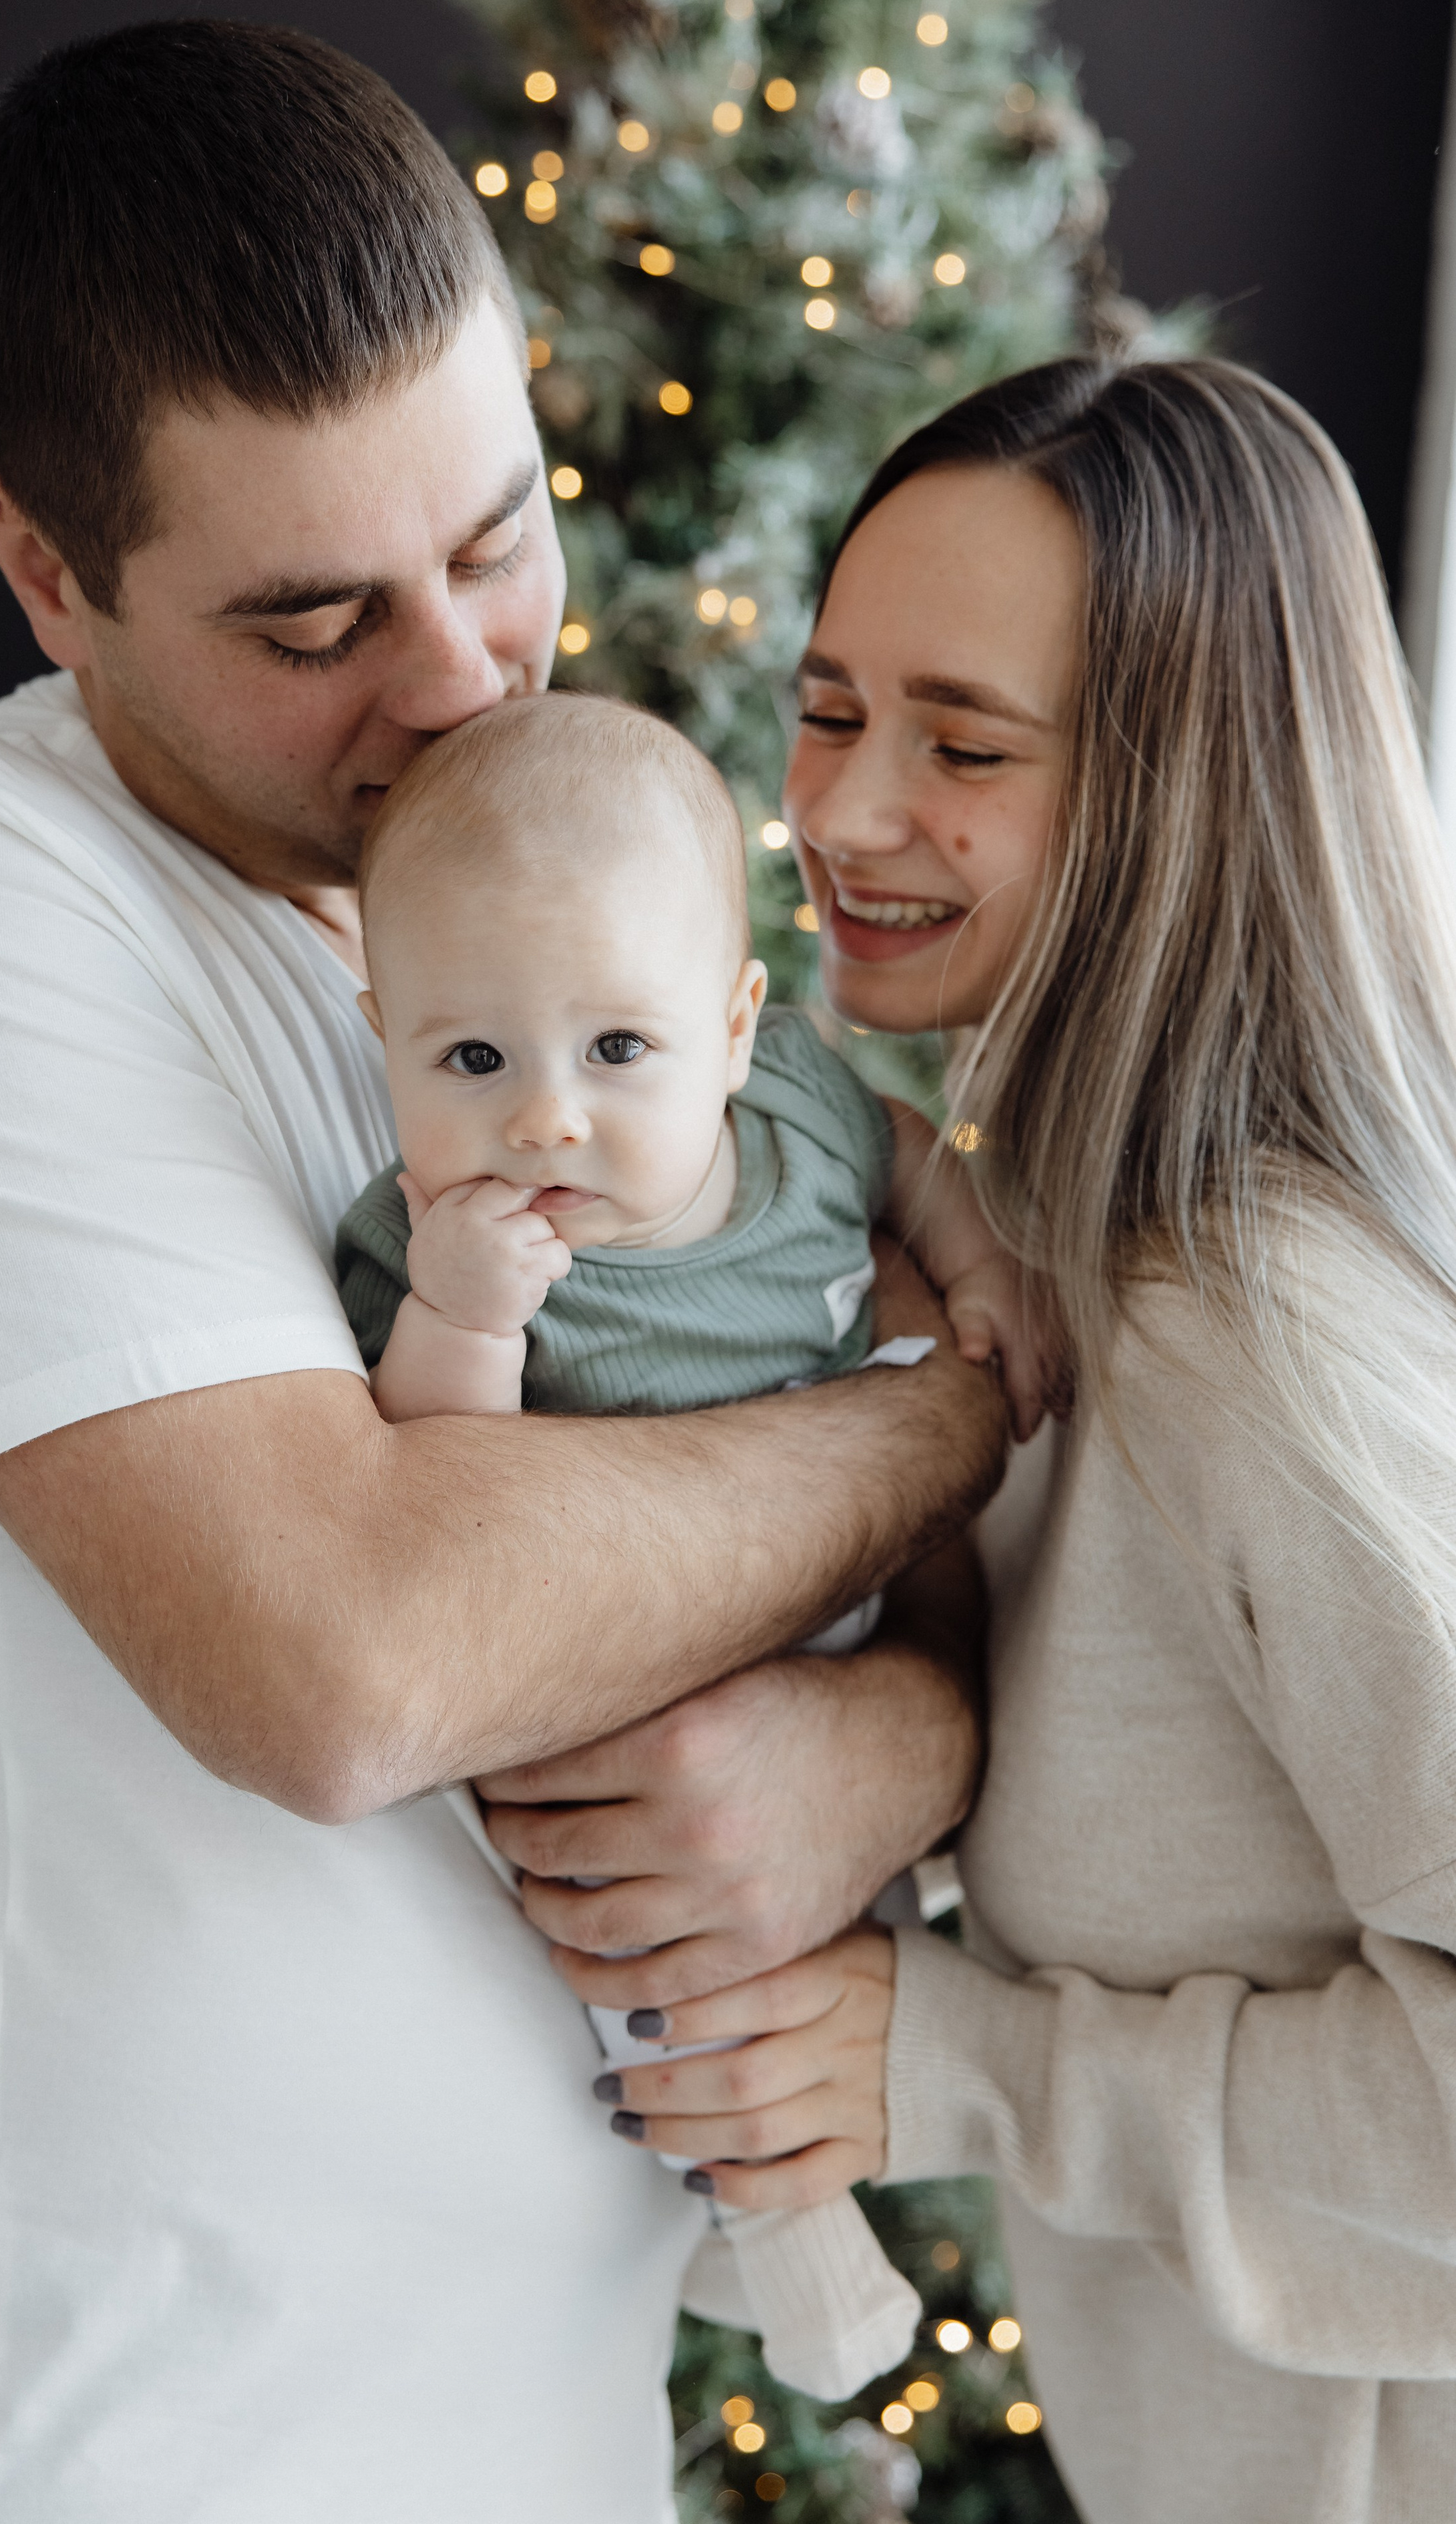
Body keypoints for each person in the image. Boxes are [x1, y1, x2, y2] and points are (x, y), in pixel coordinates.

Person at [0, 19, 1003, 2523]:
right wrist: (959, 1405)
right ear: (43, 568)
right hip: (116, 2452)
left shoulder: (550, 893)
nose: (455, 682)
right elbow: (349, 1663)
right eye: (313, 620)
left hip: (541, 2433)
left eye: (498, 542)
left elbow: (775, 1383)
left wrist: (907, 1734)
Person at [588, 355, 1456, 2524]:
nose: (844, 811)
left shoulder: (1253, 1337)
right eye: (829, 709)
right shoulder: (1041, 1249)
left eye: (965, 745)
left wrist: (971, 2064)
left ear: (1187, 794)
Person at [334, 688, 1043, 2402]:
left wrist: (979, 1273)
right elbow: (434, 1487)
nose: (544, 1120)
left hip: (847, 1625)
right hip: (636, 1688)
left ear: (733, 1029)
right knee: (675, 1965)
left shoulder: (795, 1109)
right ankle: (793, 2246)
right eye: (470, 1060)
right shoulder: (429, 1243)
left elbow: (902, 1157)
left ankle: (762, 2196)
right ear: (385, 1037)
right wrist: (462, 1319)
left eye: (617, 1051)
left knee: (869, 1933)